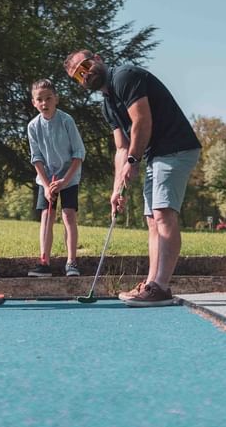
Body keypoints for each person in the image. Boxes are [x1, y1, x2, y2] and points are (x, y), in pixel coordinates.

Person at [64, 50, 202, 307]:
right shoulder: (107, 103)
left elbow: (142, 121)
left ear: (98, 58)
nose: (85, 74)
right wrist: (117, 188)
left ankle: (159, 286)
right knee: (152, 219)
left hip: (175, 148)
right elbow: (121, 147)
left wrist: (134, 161)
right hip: (156, 155)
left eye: (86, 65)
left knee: (162, 213)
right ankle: (153, 284)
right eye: (79, 75)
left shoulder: (124, 77)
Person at [25, 79, 86, 278]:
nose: (44, 103)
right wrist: (46, 184)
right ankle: (44, 262)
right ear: (34, 102)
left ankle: (71, 262)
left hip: (69, 175)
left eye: (48, 98)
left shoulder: (67, 121)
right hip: (46, 178)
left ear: (56, 99)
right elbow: (37, 158)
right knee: (46, 216)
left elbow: (79, 153)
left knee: (68, 215)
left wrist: (64, 181)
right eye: (39, 100)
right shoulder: (33, 126)